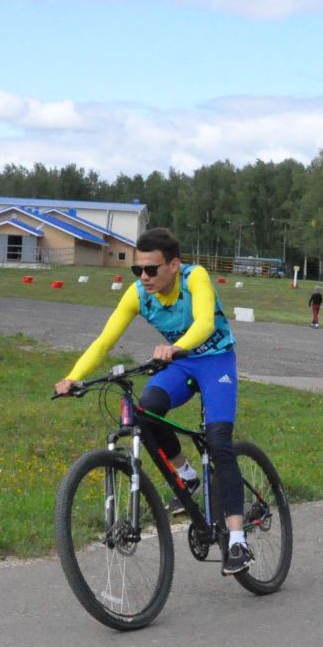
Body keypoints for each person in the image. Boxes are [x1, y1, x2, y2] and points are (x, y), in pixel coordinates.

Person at [55, 227, 254, 575]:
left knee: (220, 442)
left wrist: (177, 347)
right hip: (181, 363)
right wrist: (73, 377)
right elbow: (104, 341)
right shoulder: (137, 295)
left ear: (174, 265)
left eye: (151, 269)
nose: (143, 277)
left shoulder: (195, 278)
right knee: (145, 410)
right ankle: (186, 474)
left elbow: (206, 322)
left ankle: (237, 540)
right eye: (138, 269)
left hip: (216, 360)